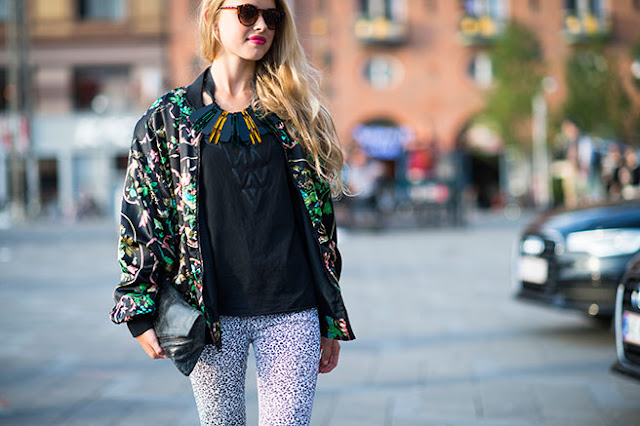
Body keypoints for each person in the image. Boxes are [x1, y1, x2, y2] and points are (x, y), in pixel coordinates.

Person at [109, 1, 355, 424]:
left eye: (272, 17)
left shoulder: (295, 113)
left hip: (292, 311)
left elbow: (321, 225)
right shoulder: (168, 118)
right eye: (246, 12)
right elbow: (144, 216)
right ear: (212, 18)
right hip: (209, 316)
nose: (261, 25)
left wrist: (331, 315)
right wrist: (138, 306)